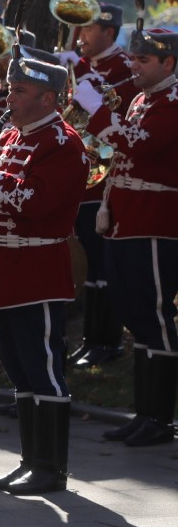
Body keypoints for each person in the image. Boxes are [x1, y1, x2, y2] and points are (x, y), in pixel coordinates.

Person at [0, 50, 87, 493]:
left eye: (20, 90)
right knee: (20, 371)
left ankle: (50, 468)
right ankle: (31, 461)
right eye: (11, 88)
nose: (9, 96)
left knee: (43, 369)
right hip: (0, 269)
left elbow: (33, 203)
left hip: (36, 270)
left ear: (49, 98)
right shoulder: (9, 136)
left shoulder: (62, 144)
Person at [79, 26, 178, 447]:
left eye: (143, 61)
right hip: (124, 221)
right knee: (138, 319)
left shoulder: (173, 102)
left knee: (155, 317)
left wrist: (97, 112)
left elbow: (139, 143)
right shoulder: (142, 98)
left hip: (155, 225)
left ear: (168, 63)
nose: (133, 66)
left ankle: (160, 417)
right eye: (134, 59)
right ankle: (144, 414)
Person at [63, 4, 137, 368]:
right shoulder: (85, 66)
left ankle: (108, 340)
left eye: (87, 29)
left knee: (102, 263)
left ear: (109, 31)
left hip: (105, 180)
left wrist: (82, 81)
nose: (80, 36)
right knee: (90, 264)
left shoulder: (124, 67)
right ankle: (93, 339)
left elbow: (120, 117)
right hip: (83, 177)